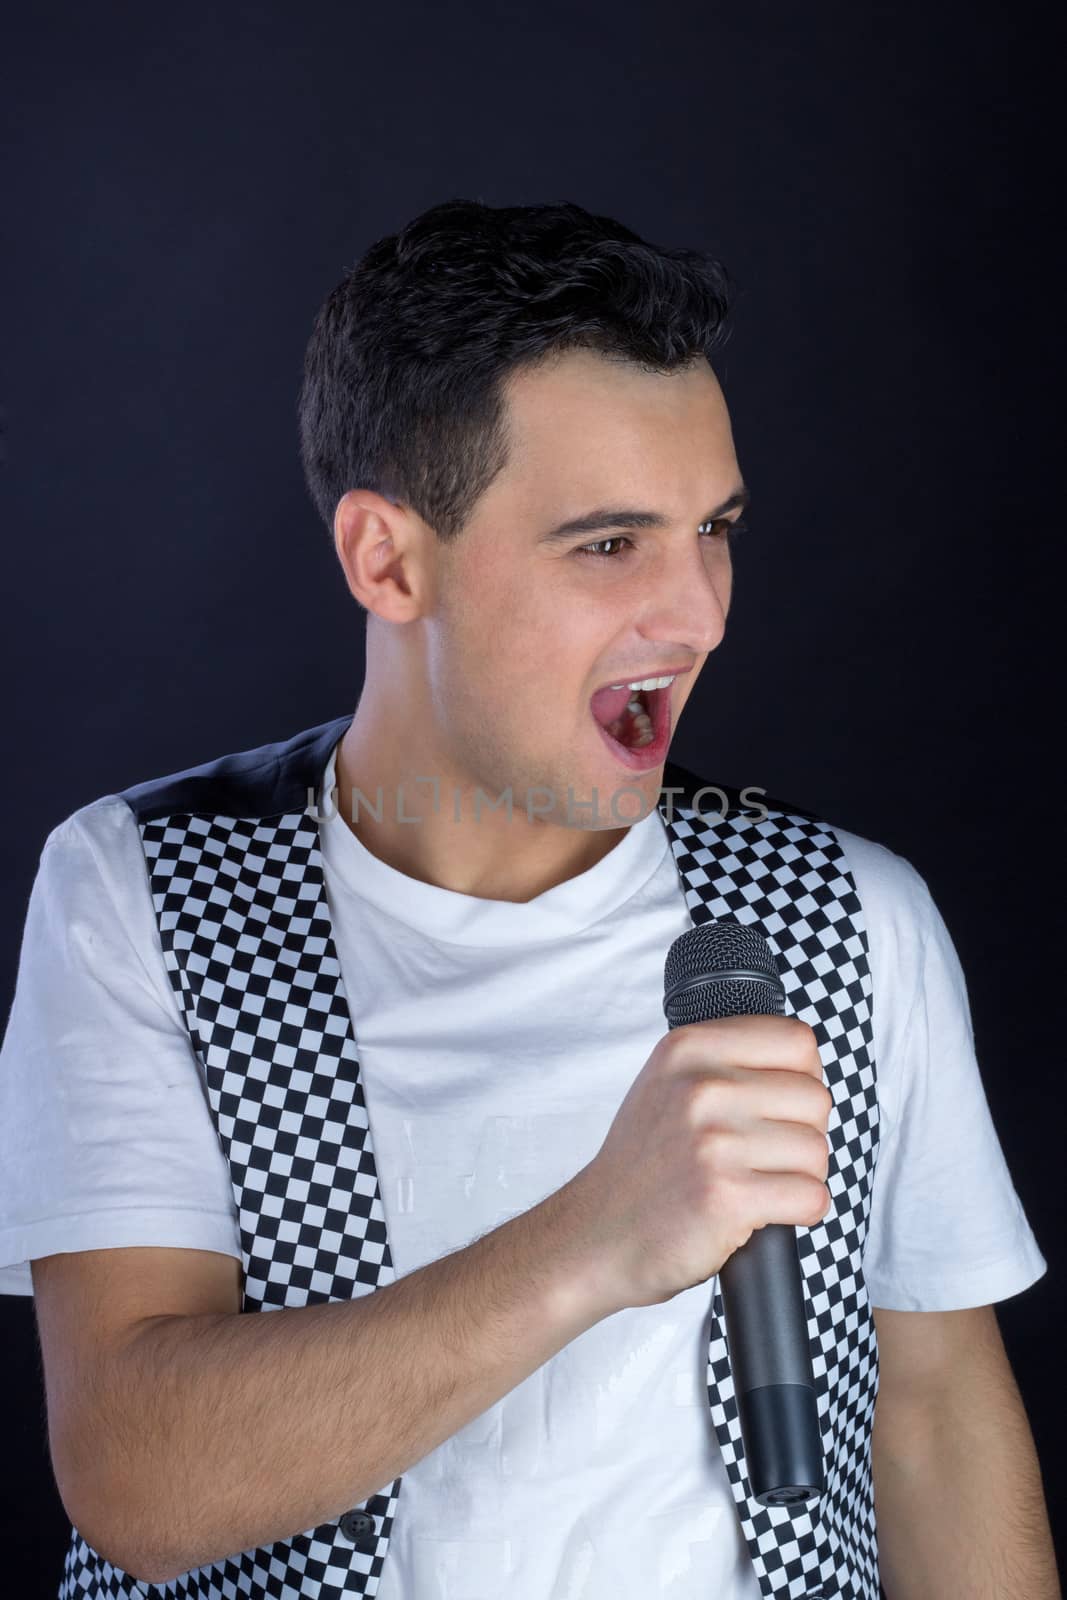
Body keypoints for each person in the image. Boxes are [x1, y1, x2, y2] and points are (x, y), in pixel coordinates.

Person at [0, 198, 1056, 1600]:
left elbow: (931, 1422)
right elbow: (139, 1481)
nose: (698, 613)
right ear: (389, 560)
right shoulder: (143, 893)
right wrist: (598, 1237)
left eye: (716, 530)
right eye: (609, 544)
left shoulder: (850, 919)